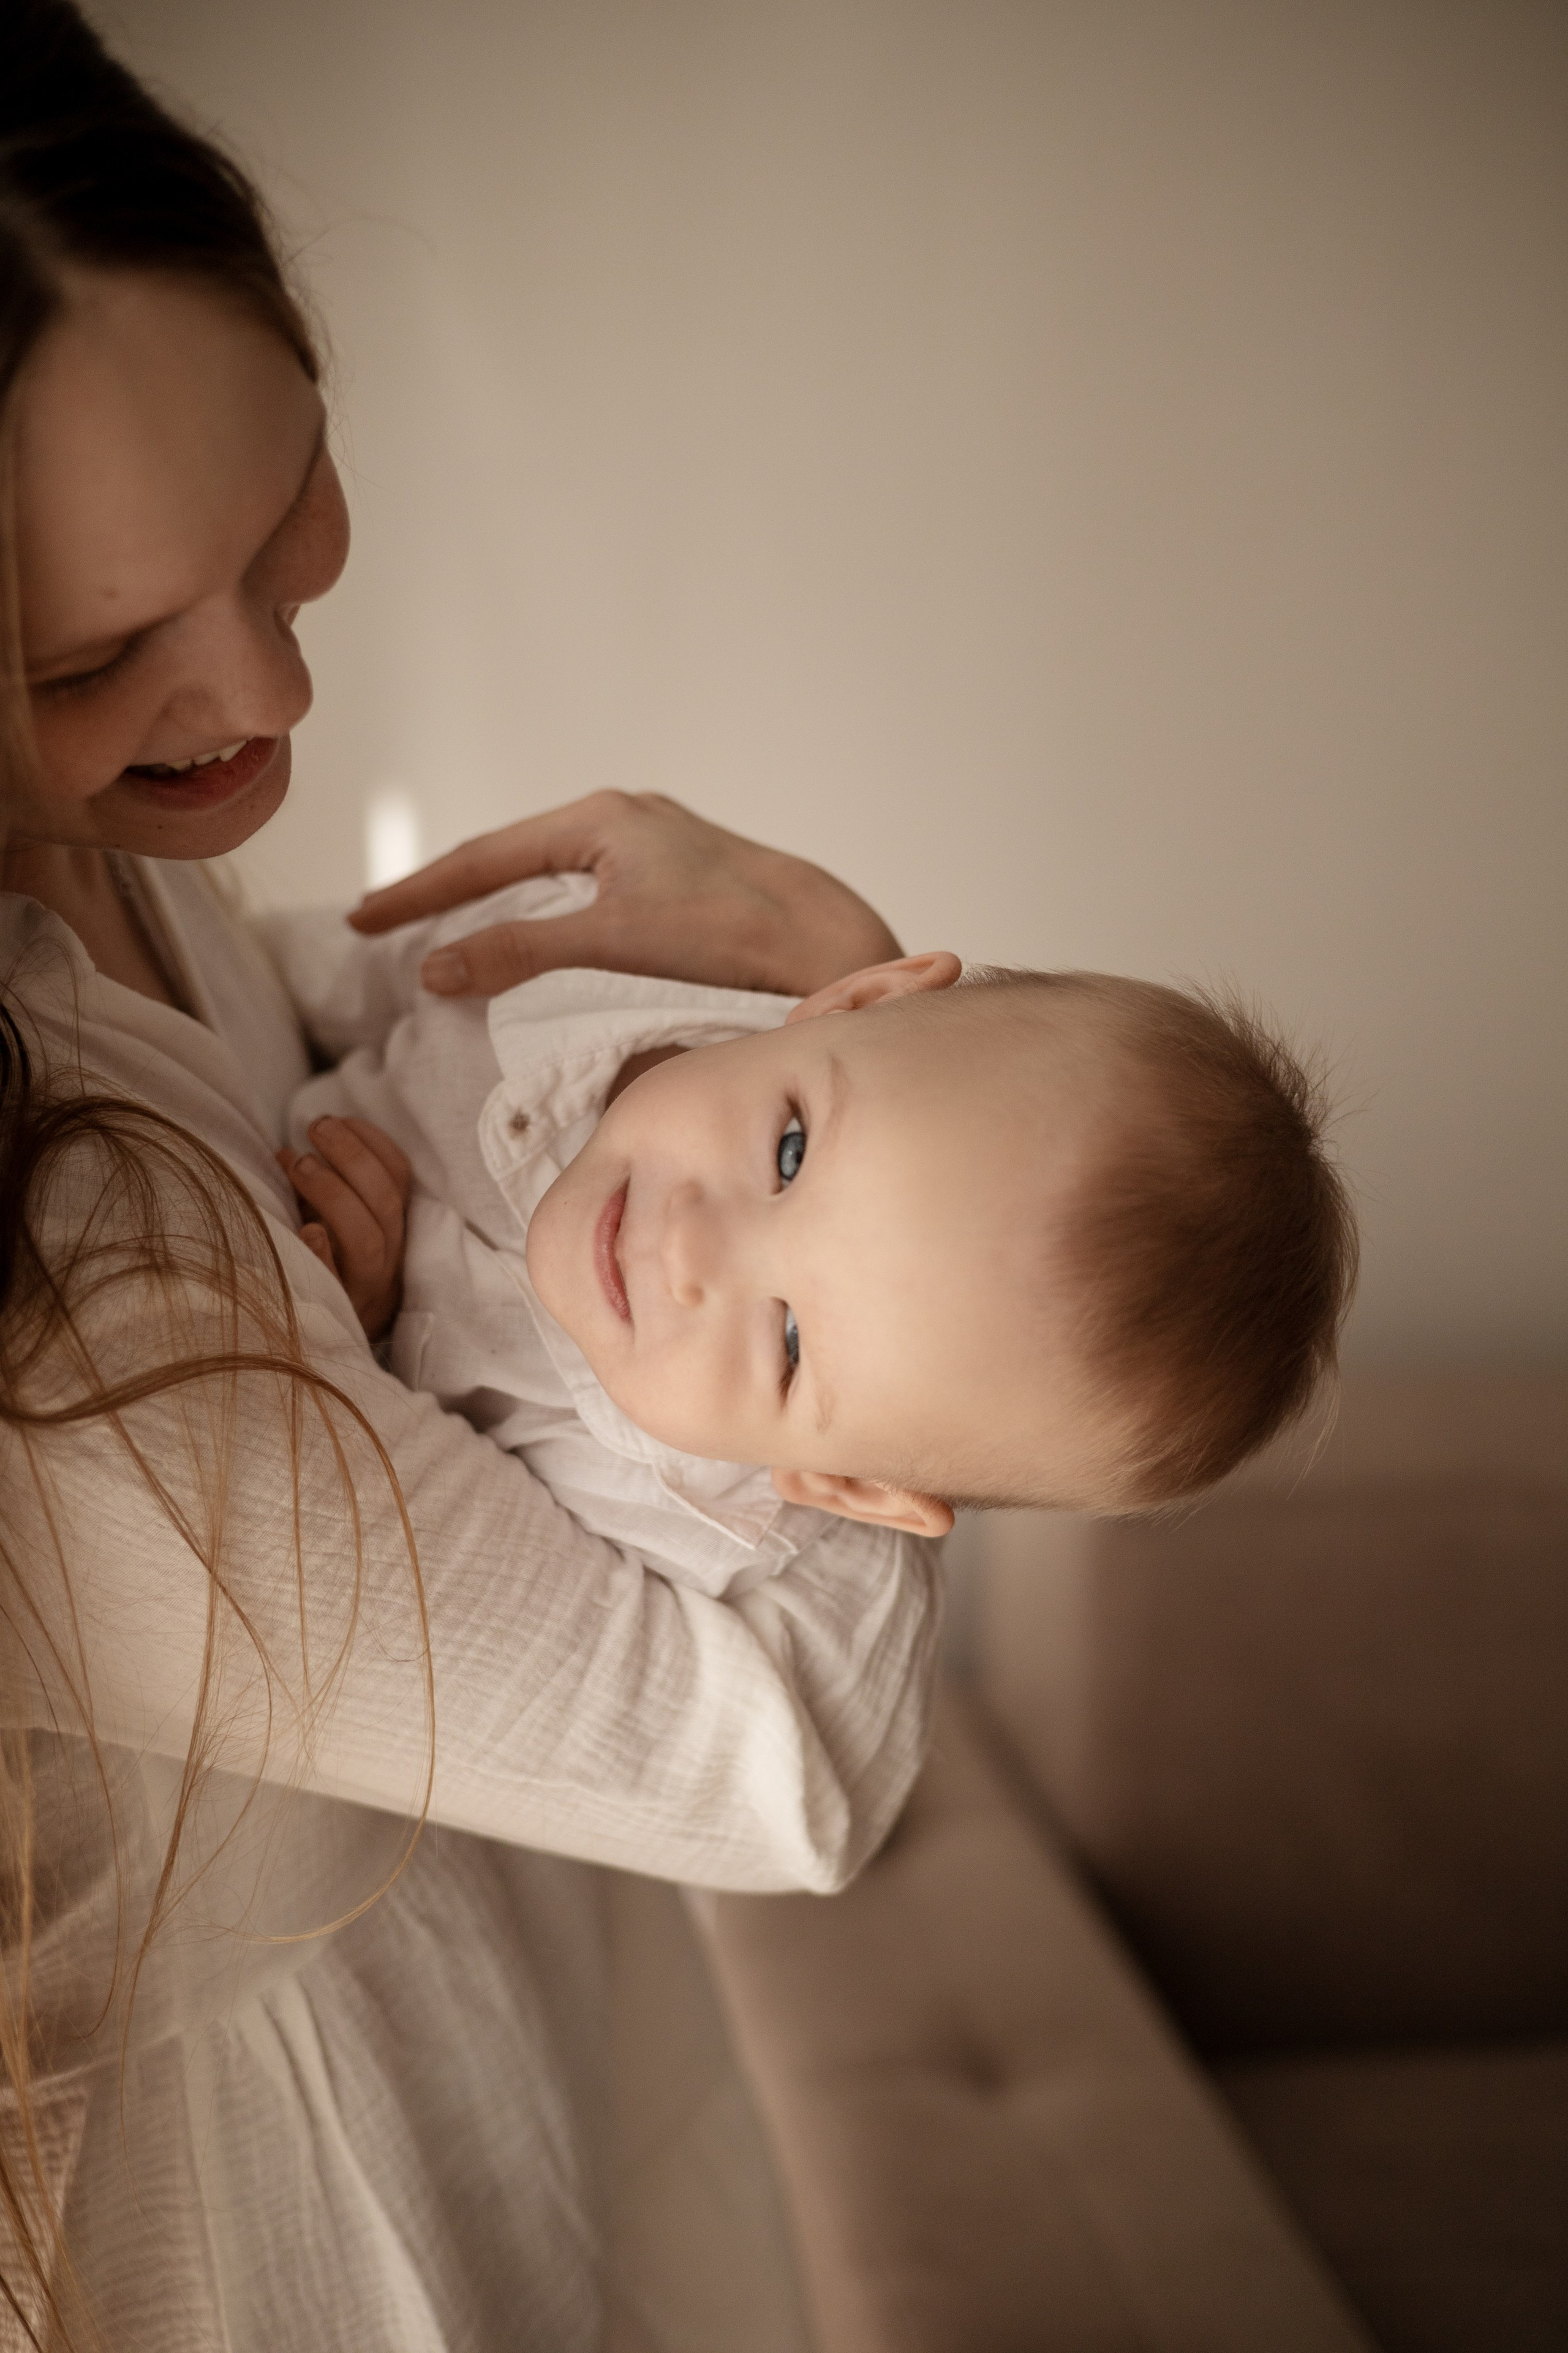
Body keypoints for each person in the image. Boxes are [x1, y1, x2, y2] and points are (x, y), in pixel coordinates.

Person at [0, 7, 940, 2347]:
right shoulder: (43, 1250)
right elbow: (785, 1767)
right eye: (101, 651)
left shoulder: (87, 876)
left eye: (283, 512)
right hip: (304, 2226)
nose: (271, 700)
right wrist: (857, 1097)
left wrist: (822, 1031)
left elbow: (298, 1015)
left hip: (508, 2023)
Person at [265, 873, 1357, 1587]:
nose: (689, 1251)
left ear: (848, 1486)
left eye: (790, 1342)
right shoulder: (601, 955)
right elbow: (321, 962)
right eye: (790, 1151)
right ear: (861, 999)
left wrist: (354, 1330)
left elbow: (421, 1543)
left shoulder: (664, 1508)